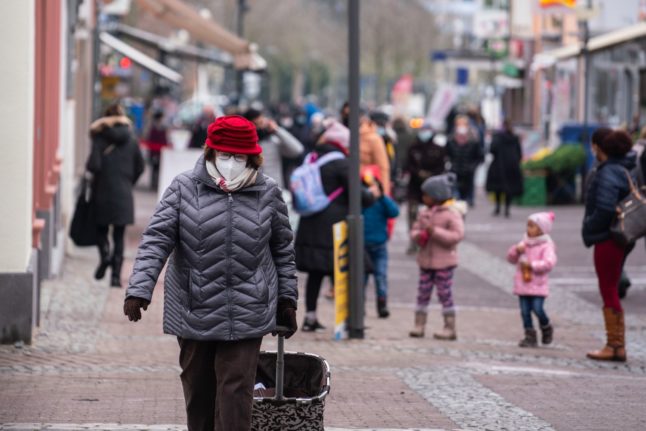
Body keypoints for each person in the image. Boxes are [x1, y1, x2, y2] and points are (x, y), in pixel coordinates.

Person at [123, 115, 298, 431]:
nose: (232, 162)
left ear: (253, 157)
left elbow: (283, 250)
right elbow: (156, 239)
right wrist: (139, 288)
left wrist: (287, 298)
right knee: (199, 394)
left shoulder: (268, 192)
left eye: (240, 156)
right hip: (194, 306)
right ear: (210, 152)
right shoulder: (183, 187)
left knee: (236, 392)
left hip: (249, 307)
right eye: (225, 154)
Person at [295, 121, 376, 332]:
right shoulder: (342, 163)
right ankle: (348, 319)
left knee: (316, 273)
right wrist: (373, 194)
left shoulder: (312, 158)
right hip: (335, 226)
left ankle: (310, 317)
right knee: (344, 270)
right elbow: (358, 196)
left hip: (311, 223)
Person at [582, 130, 636, 362]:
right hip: (615, 238)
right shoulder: (621, 169)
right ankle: (615, 344)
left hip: (607, 238)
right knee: (610, 286)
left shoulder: (607, 173)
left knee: (608, 288)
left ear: (599, 148)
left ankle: (615, 345)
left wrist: (590, 227)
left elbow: (604, 208)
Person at [86, 103, 144, 288]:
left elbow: (93, 166)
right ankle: (116, 278)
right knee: (119, 236)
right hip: (123, 193)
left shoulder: (99, 138)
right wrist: (128, 182)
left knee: (101, 230)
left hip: (102, 191)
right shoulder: (132, 140)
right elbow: (140, 166)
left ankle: (105, 256)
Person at [409, 173, 466, 340]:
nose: (423, 197)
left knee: (444, 293)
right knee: (422, 293)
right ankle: (419, 325)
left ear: (436, 196)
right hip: (425, 262)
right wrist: (419, 235)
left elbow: (457, 236)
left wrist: (435, 232)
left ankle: (450, 327)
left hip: (445, 263)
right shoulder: (424, 213)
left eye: (426, 194)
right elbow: (414, 230)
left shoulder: (451, 214)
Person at [507, 212, 557, 348]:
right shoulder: (524, 243)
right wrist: (516, 250)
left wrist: (532, 265)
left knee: (537, 308)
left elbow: (549, 263)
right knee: (524, 311)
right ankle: (529, 335)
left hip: (538, 285)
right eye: (528, 225)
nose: (528, 229)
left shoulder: (546, 245)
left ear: (541, 230)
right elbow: (511, 259)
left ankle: (546, 326)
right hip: (523, 284)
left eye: (532, 226)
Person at [362, 166, 400, 318]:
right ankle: (360, 306)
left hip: (379, 246)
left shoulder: (382, 201)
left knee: (381, 276)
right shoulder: (361, 201)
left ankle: (382, 304)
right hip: (362, 246)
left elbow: (394, 212)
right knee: (361, 279)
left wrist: (382, 196)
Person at [404, 125, 447, 254]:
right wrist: (418, 173)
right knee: (412, 214)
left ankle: (433, 240)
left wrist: (430, 175)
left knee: (434, 215)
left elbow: (441, 167)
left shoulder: (438, 149)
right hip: (415, 187)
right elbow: (408, 165)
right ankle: (414, 241)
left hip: (432, 190)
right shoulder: (413, 148)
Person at [243, 108, 304, 190]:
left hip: (274, 193)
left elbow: (298, 150)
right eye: (256, 124)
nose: (259, 127)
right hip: (252, 194)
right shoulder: (243, 144)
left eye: (261, 122)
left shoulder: (273, 140)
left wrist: (276, 130)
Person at [486, 120, 524, 217]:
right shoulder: (515, 138)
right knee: (509, 188)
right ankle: (507, 209)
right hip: (512, 166)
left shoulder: (497, 137)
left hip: (498, 165)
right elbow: (519, 153)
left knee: (497, 188)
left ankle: (498, 207)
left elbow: (492, 150)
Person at [446, 115, 483, 207]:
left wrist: (472, 167)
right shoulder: (451, 139)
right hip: (455, 171)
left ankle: (469, 200)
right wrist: (450, 165)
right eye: (459, 124)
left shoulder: (474, 139)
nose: (461, 126)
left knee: (466, 197)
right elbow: (447, 154)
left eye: (463, 124)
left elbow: (479, 156)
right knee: (456, 198)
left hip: (469, 172)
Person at [144, 110, 171, 190]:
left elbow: (147, 138)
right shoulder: (161, 127)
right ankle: (155, 184)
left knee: (155, 167)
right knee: (157, 167)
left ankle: (154, 184)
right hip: (157, 151)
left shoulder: (152, 126)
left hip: (155, 151)